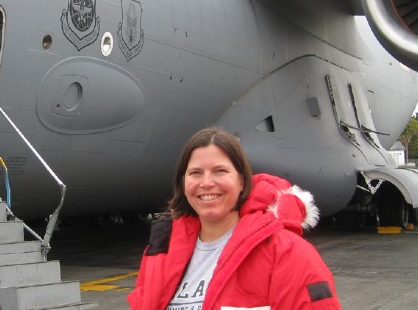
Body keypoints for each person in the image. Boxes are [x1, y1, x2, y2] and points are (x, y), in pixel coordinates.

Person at [127, 127, 341, 310]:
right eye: (195, 173)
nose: (207, 182)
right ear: (183, 183)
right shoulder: (161, 251)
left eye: (220, 171)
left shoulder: (286, 253)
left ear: (241, 181)